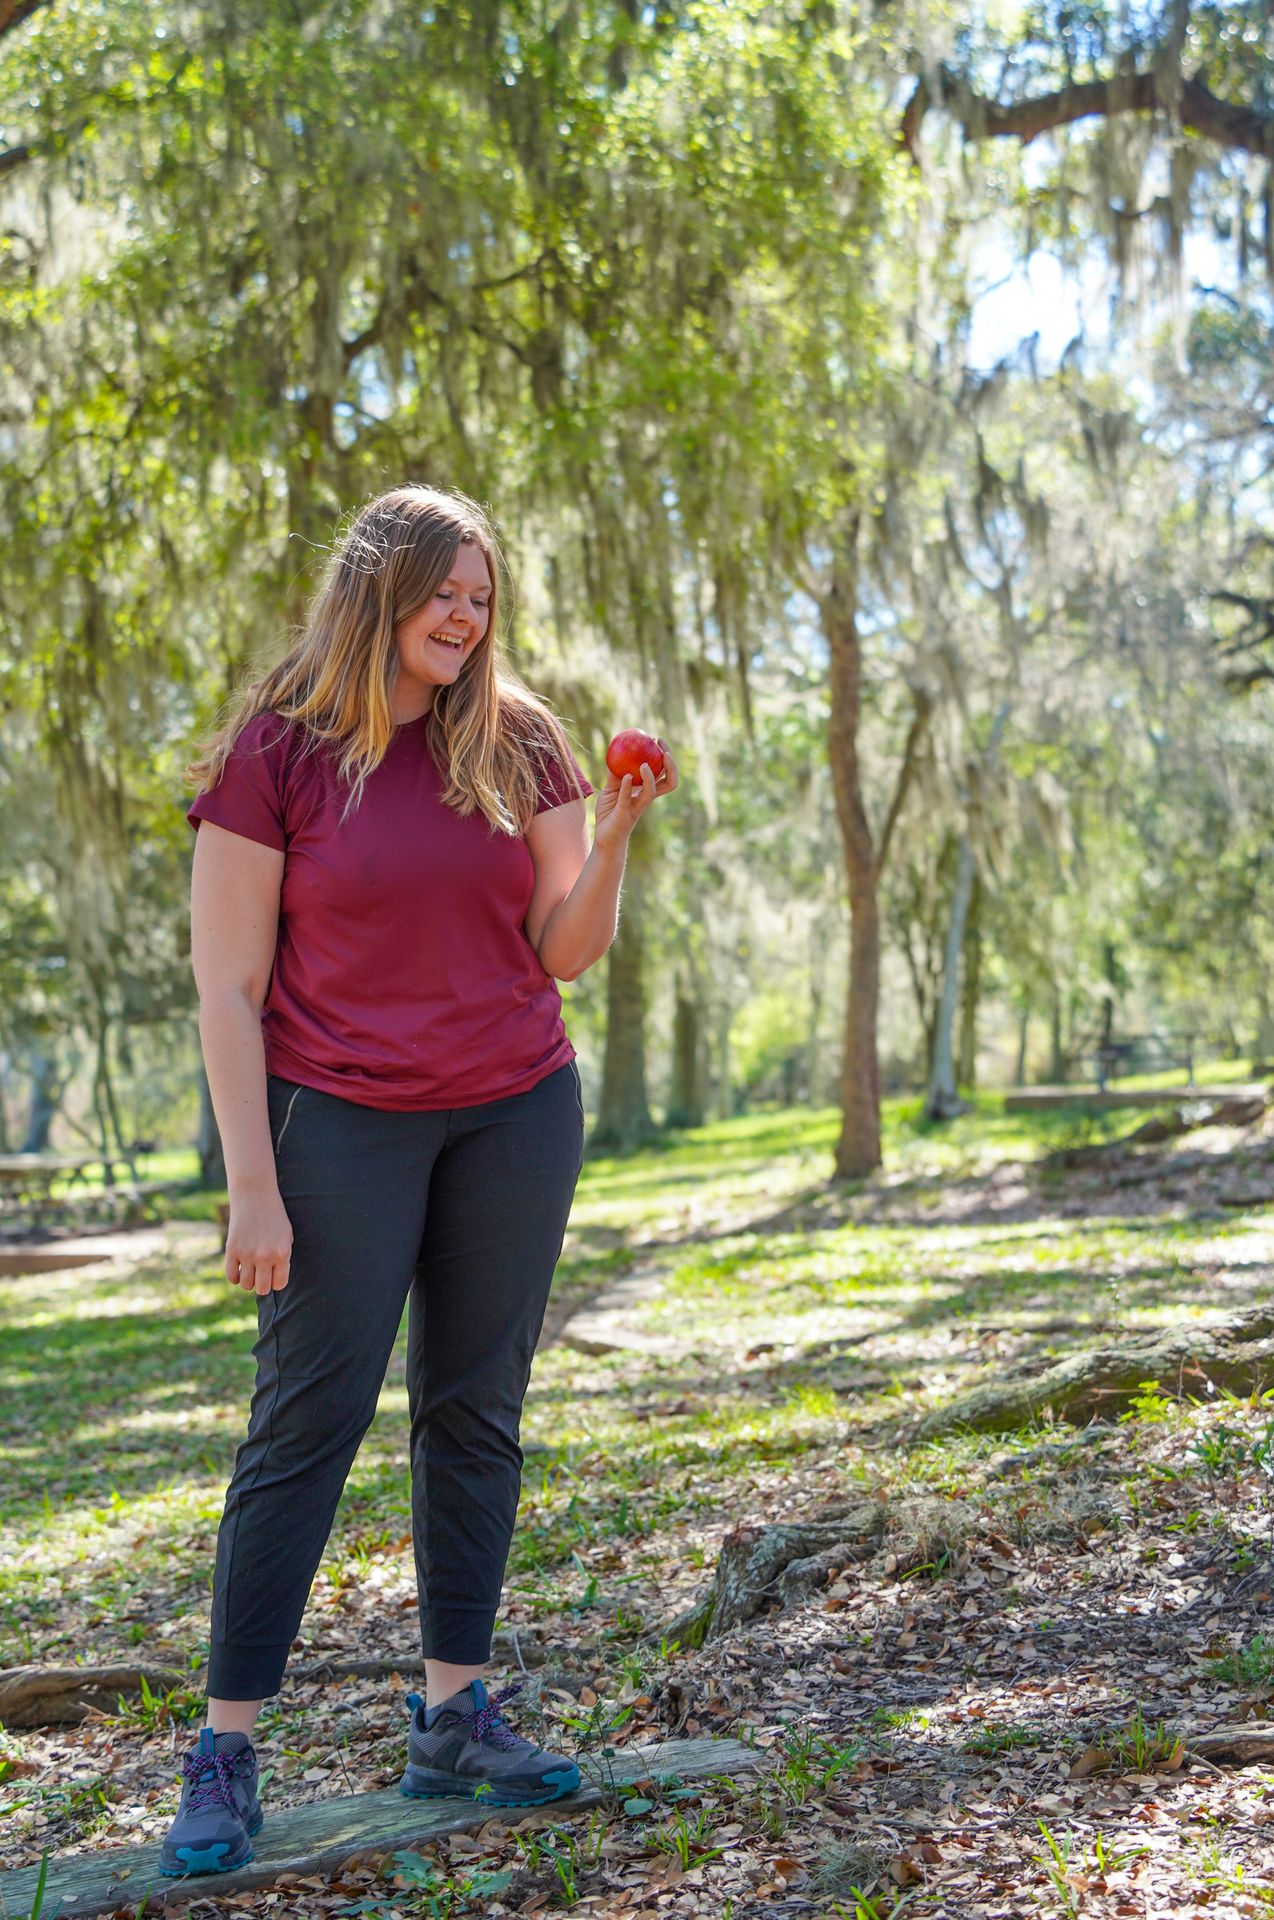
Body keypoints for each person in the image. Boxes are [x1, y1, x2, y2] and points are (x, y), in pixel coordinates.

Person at [160, 483, 677, 1878]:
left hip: (514, 1110)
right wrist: (251, 1184)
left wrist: (615, 832)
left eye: (482, 595)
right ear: (378, 590)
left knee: (475, 1413)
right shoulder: (279, 747)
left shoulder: (522, 742)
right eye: (444, 590)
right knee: (305, 1425)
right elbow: (229, 986)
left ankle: (453, 1713)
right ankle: (224, 1752)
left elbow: (564, 950)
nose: (466, 614)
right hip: (337, 1122)